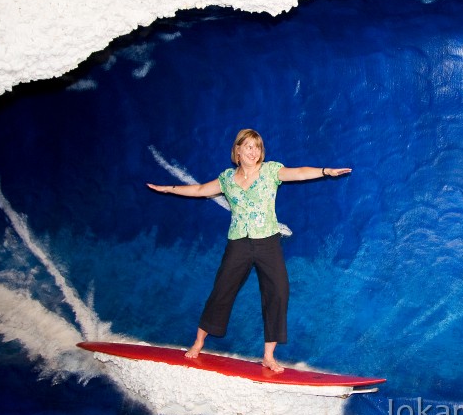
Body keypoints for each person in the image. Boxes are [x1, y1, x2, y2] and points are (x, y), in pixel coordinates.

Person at [147, 129, 351, 373]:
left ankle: (268, 356)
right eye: (249, 147)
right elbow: (200, 189)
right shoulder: (227, 179)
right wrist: (169, 189)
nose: (254, 152)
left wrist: (325, 171)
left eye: (257, 147)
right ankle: (198, 342)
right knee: (222, 290)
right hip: (239, 243)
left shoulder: (270, 171)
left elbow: (298, 173)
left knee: (278, 291)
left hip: (267, 241)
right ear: (238, 150)